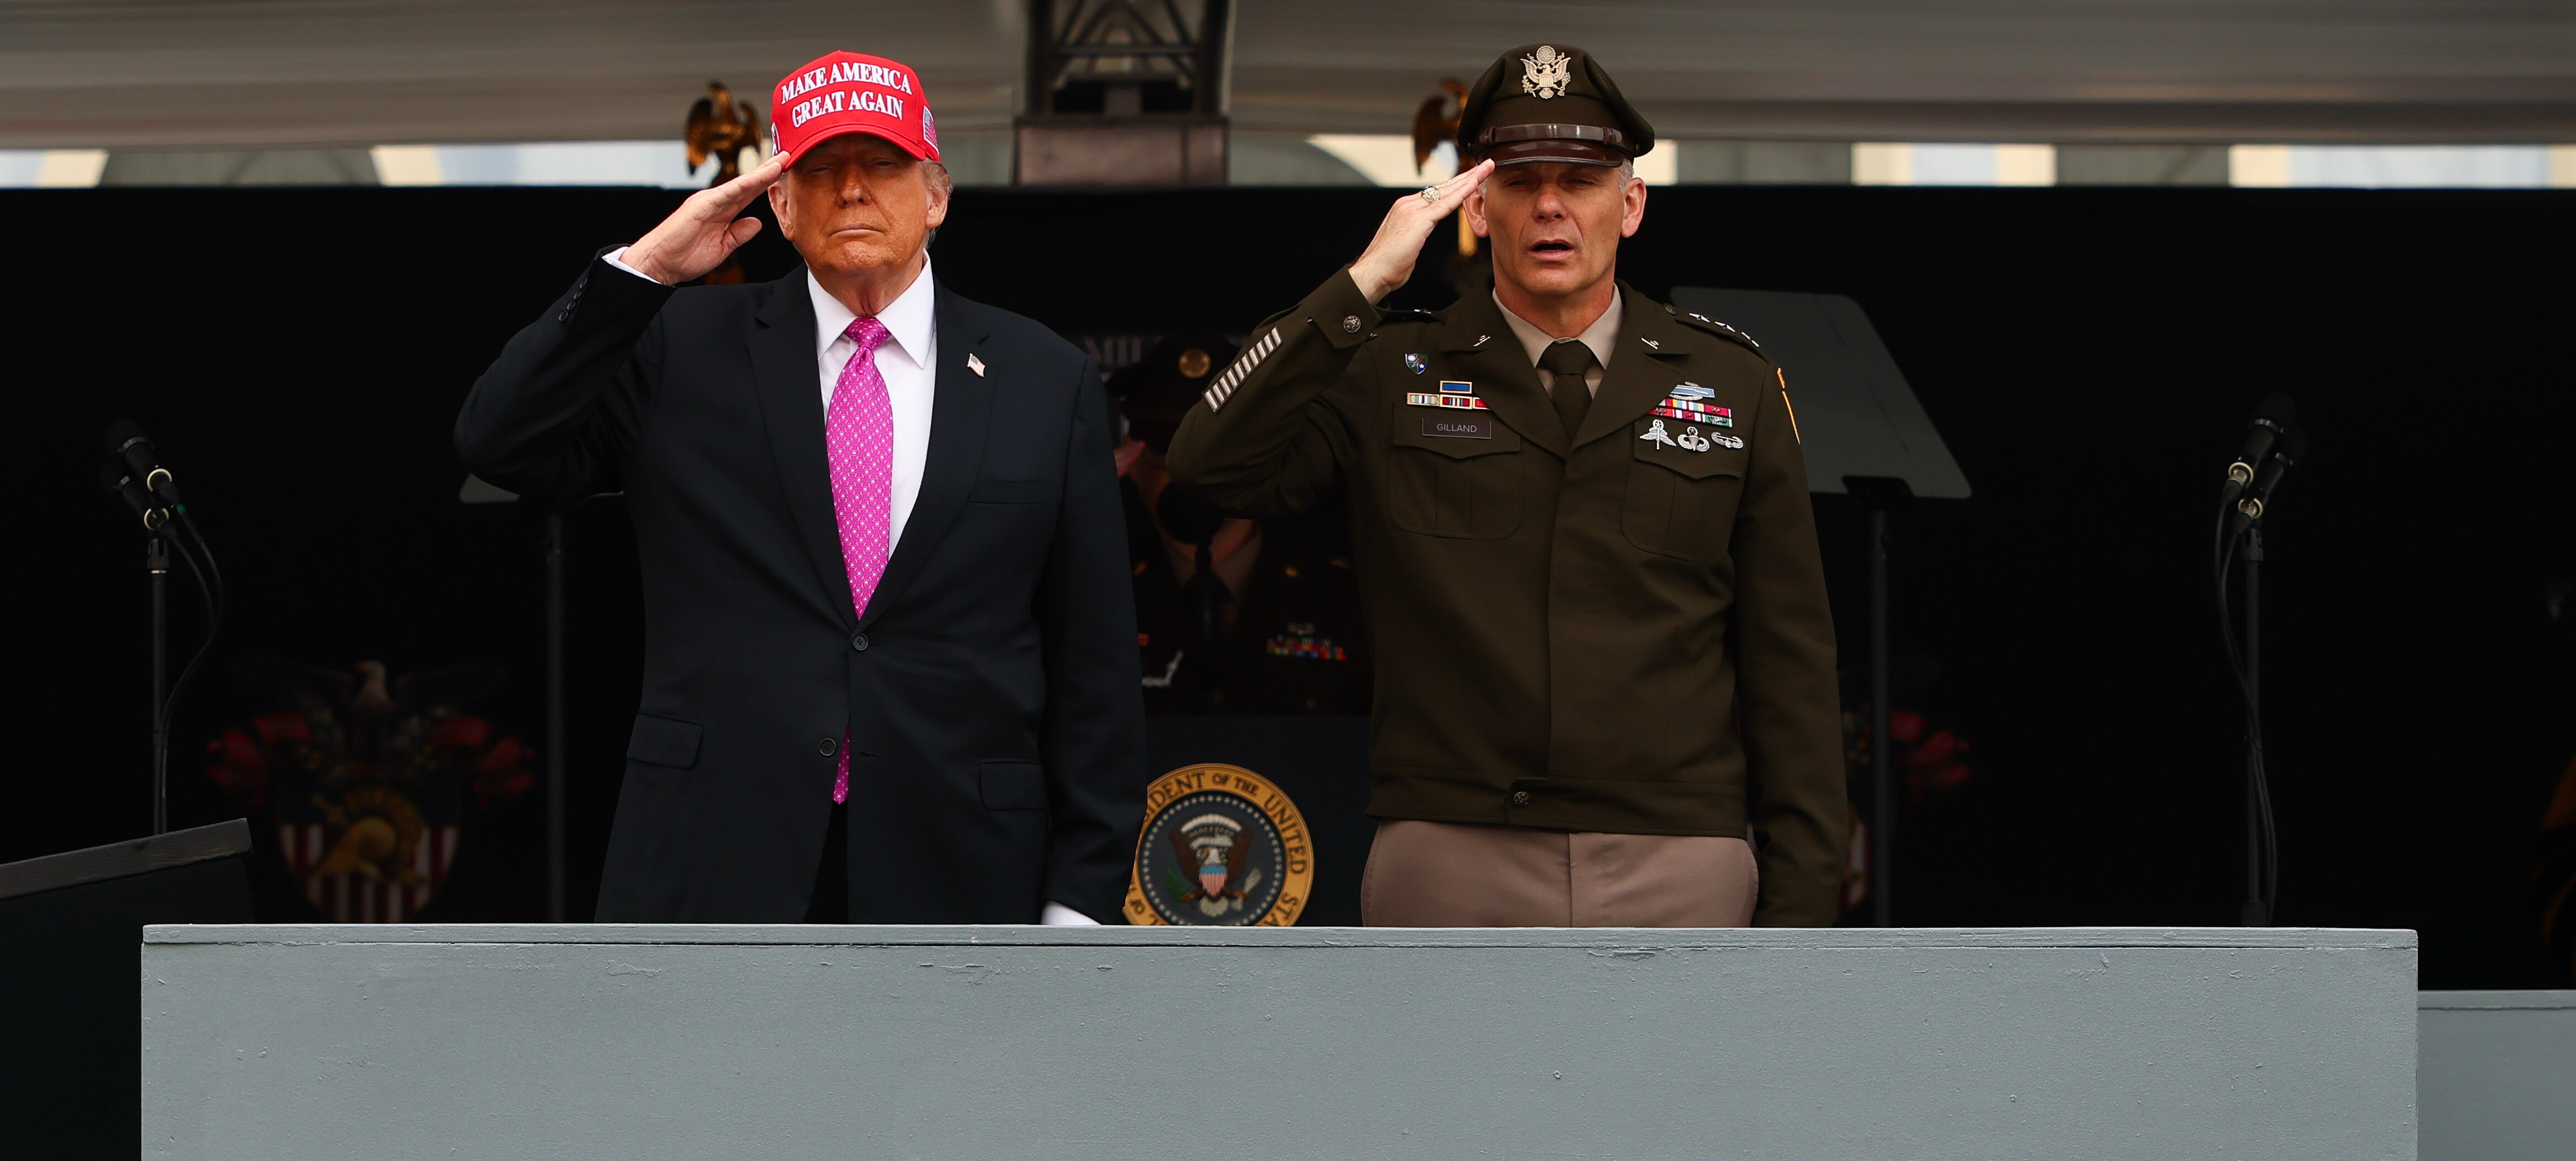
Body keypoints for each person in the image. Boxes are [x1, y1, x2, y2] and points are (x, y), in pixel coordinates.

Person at [457, 50, 1142, 925]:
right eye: (820, 170)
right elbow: (498, 441)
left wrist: (1081, 896)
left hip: (965, 868)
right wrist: (647, 270)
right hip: (714, 861)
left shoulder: (1046, 379)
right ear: (778, 204)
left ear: (937, 195)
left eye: (884, 164)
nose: (853, 190)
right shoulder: (679, 347)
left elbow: (1096, 663)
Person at [1168, 43, 1843, 929]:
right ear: (1477, 206)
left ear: (1631, 204)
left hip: (1678, 854)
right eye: (1520, 182)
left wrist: (1802, 906)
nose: (1551, 206)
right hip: (1454, 848)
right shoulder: (1388, 365)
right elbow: (1209, 461)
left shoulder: (1732, 383)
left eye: (1582, 180)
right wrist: (1363, 284)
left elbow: (1789, 661)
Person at [1110, 333, 1372, 716]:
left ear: (1266, 454)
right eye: (1169, 451)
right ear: (1133, 460)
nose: (1193, 477)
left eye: (1222, 451)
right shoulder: (1092, 597)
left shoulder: (1349, 598)